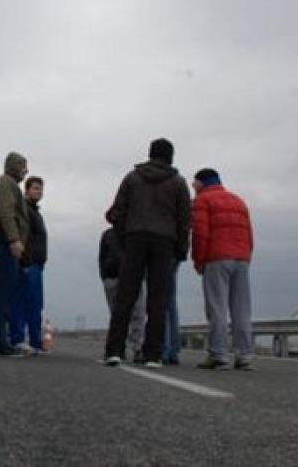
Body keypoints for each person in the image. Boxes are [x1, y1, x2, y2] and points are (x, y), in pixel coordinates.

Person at [102, 138, 191, 368]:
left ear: (150, 154)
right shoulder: (179, 182)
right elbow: (184, 221)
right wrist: (181, 249)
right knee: (158, 299)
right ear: (170, 156)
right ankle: (153, 354)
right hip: (165, 241)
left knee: (126, 296)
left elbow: (117, 211)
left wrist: (123, 237)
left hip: (135, 238)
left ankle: (114, 351)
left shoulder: (132, 178)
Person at [191, 167, 255, 370]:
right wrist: (246, 256)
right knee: (241, 309)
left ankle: (219, 355)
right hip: (241, 259)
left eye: (195, 182)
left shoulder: (202, 200)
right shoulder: (238, 200)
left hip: (216, 258)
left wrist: (198, 261)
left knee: (217, 308)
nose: (193, 186)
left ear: (203, 182)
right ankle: (244, 355)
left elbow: (200, 234)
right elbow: (249, 234)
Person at [0, 151, 30, 356]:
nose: (26, 170)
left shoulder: (9, 185)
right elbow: (6, 211)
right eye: (23, 166)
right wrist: (14, 239)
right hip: (3, 245)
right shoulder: (5, 183)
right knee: (1, 296)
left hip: (2, 245)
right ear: (14, 166)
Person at [10, 176, 48, 355]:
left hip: (37, 264)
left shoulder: (35, 212)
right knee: (24, 303)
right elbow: (22, 235)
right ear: (26, 190)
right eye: (35, 188)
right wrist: (25, 259)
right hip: (28, 263)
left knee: (35, 305)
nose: (38, 192)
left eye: (40, 189)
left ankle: (35, 342)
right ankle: (17, 339)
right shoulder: (25, 210)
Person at [97, 226, 146, 360]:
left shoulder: (136, 233)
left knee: (138, 314)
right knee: (117, 314)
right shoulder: (107, 234)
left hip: (133, 277)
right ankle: (119, 347)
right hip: (113, 277)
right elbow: (101, 257)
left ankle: (138, 348)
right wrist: (105, 276)